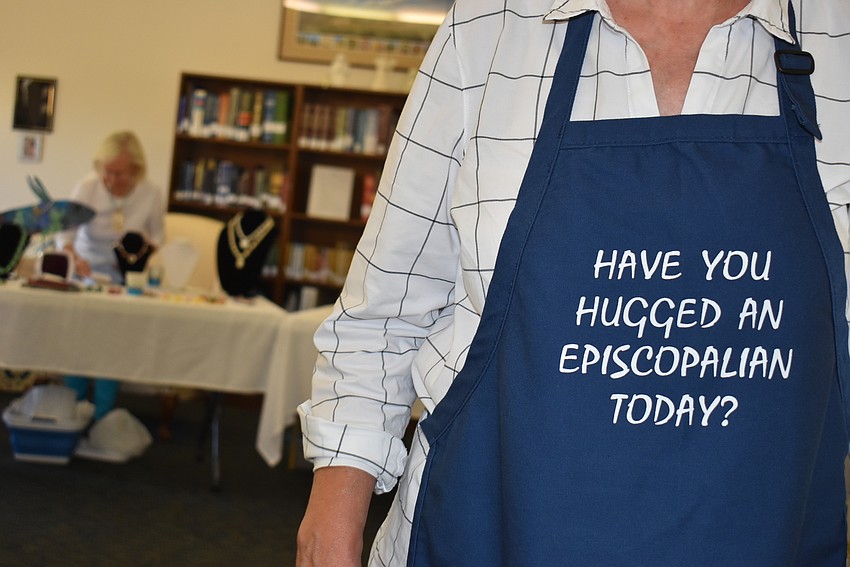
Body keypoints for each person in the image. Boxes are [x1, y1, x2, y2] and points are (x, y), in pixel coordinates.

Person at [297, 0, 850, 565]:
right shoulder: (491, 25)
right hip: (484, 533)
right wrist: (333, 518)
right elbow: (385, 311)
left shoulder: (838, 33)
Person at [56, 130, 165, 420]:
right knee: (78, 343)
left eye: (119, 173)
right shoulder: (87, 187)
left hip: (123, 281)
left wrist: (136, 259)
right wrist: (74, 256)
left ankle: (102, 414)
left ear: (136, 171)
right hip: (86, 275)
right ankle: (72, 410)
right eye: (106, 171)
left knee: (110, 345)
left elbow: (158, 237)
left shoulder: (151, 193)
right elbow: (64, 234)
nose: (111, 179)